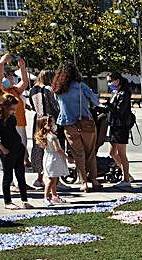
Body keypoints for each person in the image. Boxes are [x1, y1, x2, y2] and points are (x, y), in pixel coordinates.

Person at [53, 62, 101, 192]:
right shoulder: (81, 87)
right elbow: (96, 101)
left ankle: (83, 182)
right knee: (90, 152)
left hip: (68, 124)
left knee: (78, 154)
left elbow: (58, 106)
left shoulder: (58, 89)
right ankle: (95, 180)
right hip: (86, 123)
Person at [0, 92, 30, 209]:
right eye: (12, 108)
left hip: (18, 147)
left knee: (21, 175)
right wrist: (3, 148)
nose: (14, 111)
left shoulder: (12, 117)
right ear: (5, 106)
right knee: (8, 176)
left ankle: (24, 200)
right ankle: (7, 202)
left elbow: (14, 132)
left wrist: (22, 146)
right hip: (6, 149)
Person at [0, 53, 30, 168]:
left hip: (20, 123)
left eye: (12, 76)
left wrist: (22, 67)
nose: (11, 78)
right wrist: (1, 63)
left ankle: (17, 174)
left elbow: (25, 82)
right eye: (8, 76)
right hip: (7, 125)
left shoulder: (14, 90)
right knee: (10, 151)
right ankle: (2, 164)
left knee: (21, 148)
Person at [29, 69, 59, 189]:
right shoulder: (48, 89)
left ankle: (39, 178)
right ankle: (55, 180)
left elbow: (32, 105)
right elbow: (54, 106)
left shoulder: (33, 89)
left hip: (38, 120)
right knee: (52, 148)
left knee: (38, 147)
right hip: (50, 120)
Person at [105, 72, 134, 188]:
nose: (109, 83)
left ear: (117, 80)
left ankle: (126, 179)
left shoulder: (124, 93)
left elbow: (119, 110)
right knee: (112, 153)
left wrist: (108, 105)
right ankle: (127, 174)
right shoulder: (115, 92)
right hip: (113, 125)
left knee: (122, 153)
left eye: (110, 81)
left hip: (121, 126)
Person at [34, 115, 70, 206]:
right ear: (48, 124)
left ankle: (54, 196)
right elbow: (58, 149)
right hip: (53, 159)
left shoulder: (46, 135)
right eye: (53, 123)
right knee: (51, 180)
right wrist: (67, 157)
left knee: (54, 178)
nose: (55, 124)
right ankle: (46, 197)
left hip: (49, 158)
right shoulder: (52, 136)